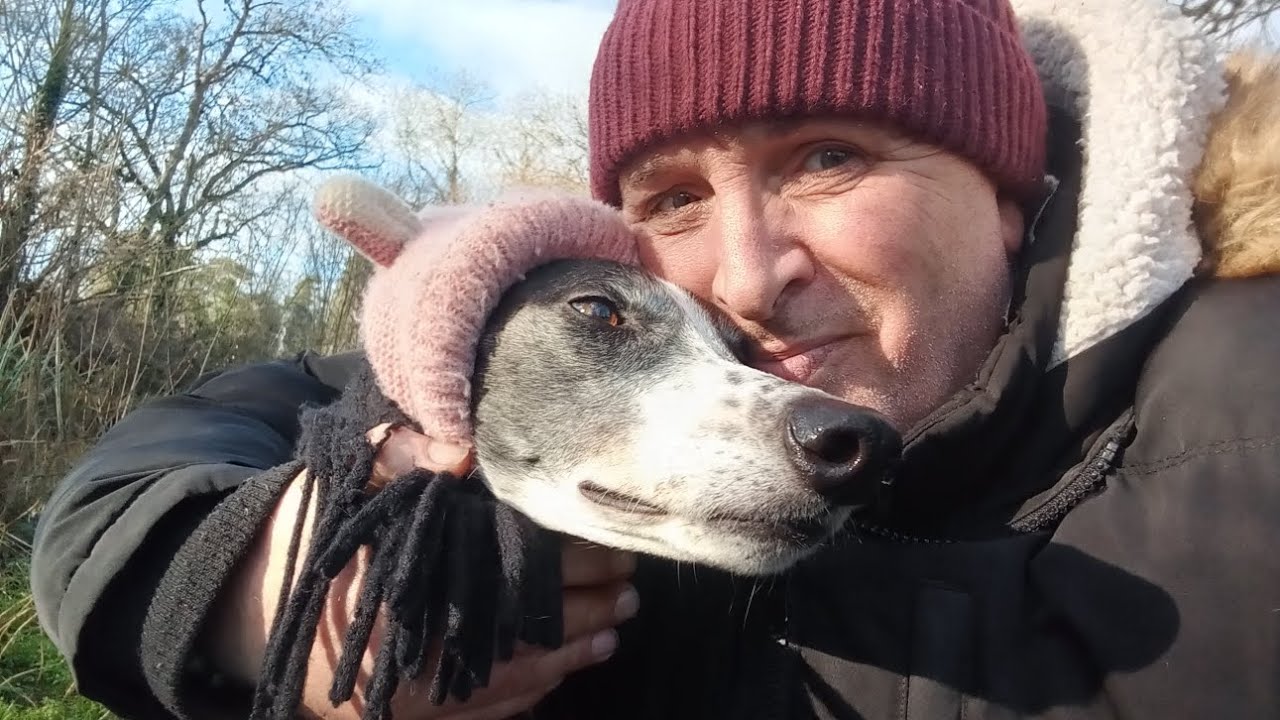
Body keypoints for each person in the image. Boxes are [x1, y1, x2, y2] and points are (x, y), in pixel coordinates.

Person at [28, 0, 1280, 717]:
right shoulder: (631, 373)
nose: (742, 276)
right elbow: (150, 473)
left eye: (828, 157)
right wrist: (278, 593)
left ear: (1010, 195)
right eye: (672, 199)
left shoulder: (1248, 415)